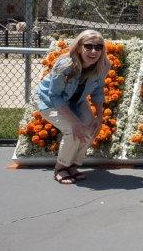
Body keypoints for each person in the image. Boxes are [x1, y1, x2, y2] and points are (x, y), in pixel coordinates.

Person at [37, 29, 111, 184]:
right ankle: (60, 167)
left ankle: (73, 165)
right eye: (89, 46)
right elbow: (54, 95)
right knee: (72, 130)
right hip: (50, 102)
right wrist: (75, 122)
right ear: (79, 47)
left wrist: (99, 116)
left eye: (98, 47)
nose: (93, 51)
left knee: (91, 128)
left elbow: (97, 91)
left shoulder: (103, 65)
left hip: (76, 101)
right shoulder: (65, 65)